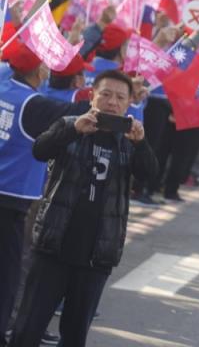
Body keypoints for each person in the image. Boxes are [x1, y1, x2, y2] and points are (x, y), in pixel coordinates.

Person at [8, 69, 157, 347]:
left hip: (96, 257)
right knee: (27, 330)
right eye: (106, 94)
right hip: (53, 249)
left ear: (128, 104)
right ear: (92, 96)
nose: (112, 102)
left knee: (75, 336)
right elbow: (40, 150)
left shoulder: (129, 140)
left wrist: (142, 144)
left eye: (120, 98)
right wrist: (73, 128)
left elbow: (149, 174)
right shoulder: (70, 125)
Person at [0, 42, 88, 347]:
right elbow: (76, 113)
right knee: (8, 276)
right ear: (39, 70)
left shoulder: (2, 82)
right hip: (11, 199)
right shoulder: (32, 104)